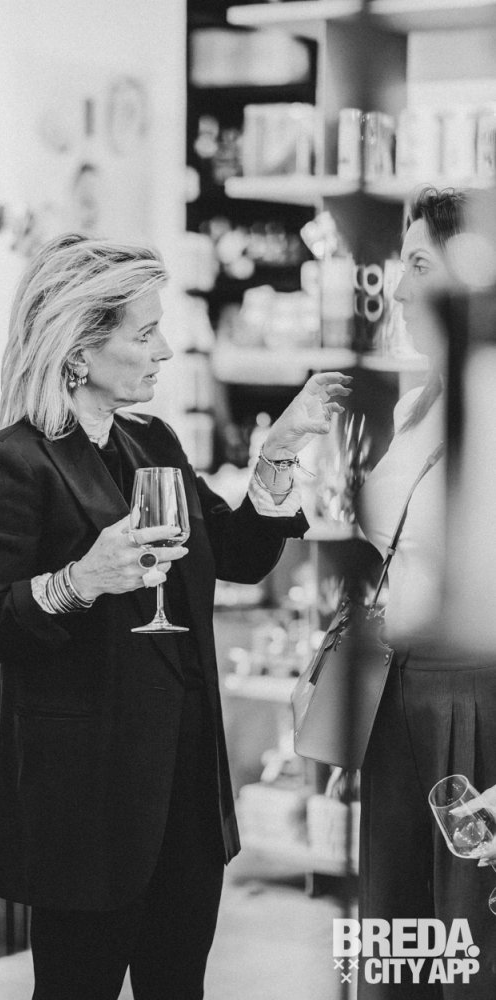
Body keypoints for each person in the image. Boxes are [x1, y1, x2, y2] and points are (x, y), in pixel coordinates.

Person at [0, 232, 351, 1000]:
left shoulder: (152, 441)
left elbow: (234, 554)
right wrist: (77, 582)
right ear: (78, 350)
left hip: (186, 792)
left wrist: (275, 455)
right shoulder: (11, 463)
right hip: (88, 803)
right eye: (145, 333)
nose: (165, 349)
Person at [357, 187, 496, 999]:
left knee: (470, 934)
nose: (401, 288)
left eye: (418, 263)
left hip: (476, 701)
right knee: (394, 932)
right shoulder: (417, 404)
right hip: (397, 689)